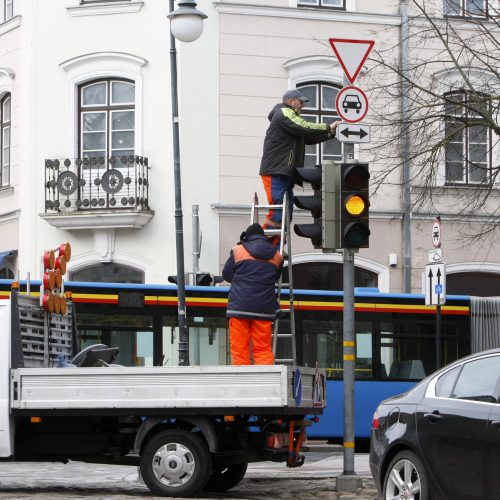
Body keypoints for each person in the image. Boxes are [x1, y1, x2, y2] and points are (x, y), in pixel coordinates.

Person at [259, 89, 339, 242]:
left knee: (285, 212)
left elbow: (306, 138)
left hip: (284, 172)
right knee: (278, 212)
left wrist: (330, 134)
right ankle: (262, 245)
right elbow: (303, 126)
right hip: (276, 171)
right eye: (300, 101)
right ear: (290, 102)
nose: (303, 105)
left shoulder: (289, 120)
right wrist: (328, 127)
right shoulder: (283, 112)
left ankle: (276, 246)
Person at [222, 223, 283, 365]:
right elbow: (275, 278)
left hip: (239, 307)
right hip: (264, 309)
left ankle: (244, 383)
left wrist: (240, 282)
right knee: (262, 349)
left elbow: (227, 274)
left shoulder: (238, 250)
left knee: (240, 348)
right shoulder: (277, 256)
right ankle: (265, 382)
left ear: (246, 237)